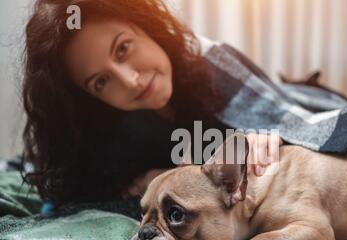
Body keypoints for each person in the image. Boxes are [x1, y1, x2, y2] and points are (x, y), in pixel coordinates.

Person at [21, 0, 283, 208]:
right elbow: (61, 184)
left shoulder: (213, 61)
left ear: (145, 24)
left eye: (123, 48)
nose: (131, 81)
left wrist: (267, 133)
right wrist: (134, 185)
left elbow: (297, 122)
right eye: (101, 82)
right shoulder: (109, 131)